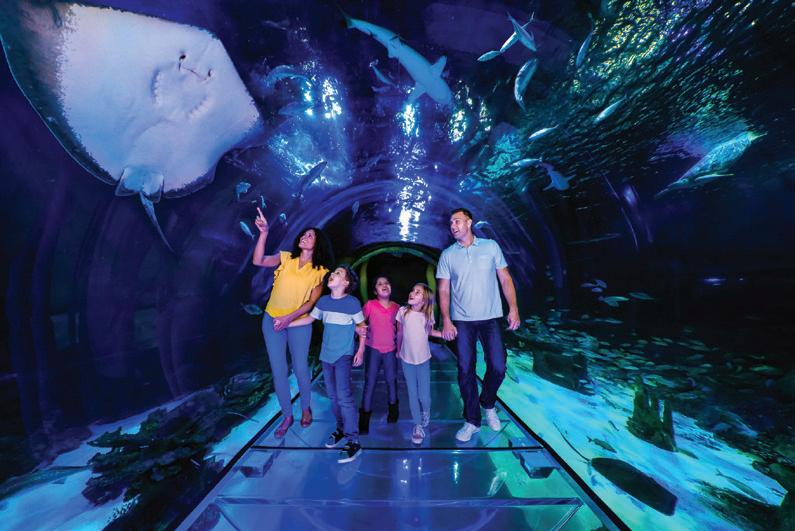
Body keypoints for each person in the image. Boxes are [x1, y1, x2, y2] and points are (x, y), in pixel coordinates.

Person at [436, 208, 520, 443]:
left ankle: (488, 402)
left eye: (457, 221)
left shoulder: (490, 246)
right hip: (462, 320)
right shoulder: (447, 255)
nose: (453, 226)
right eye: (451, 222)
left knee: (498, 366)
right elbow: (443, 289)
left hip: (490, 318)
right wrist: (446, 319)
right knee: (465, 370)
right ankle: (472, 420)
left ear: (469, 222)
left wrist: (513, 308)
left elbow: (505, 278)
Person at [253, 207, 331, 439]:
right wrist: (264, 234)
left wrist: (288, 318)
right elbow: (258, 260)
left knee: (300, 367)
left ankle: (305, 407)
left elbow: (310, 303)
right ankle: (287, 415)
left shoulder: (321, 272)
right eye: (304, 234)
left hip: (298, 323)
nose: (304, 237)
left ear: (317, 244)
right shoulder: (285, 258)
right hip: (271, 320)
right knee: (278, 371)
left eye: (310, 236)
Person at [290, 265, 366, 463]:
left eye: (338, 273)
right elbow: (309, 319)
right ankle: (341, 429)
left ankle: (353, 440)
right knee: (333, 396)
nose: (332, 274)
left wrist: (360, 350)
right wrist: (286, 323)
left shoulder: (352, 303)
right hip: (326, 356)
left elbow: (362, 327)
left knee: (344, 397)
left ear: (346, 283)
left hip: (343, 355)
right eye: (333, 272)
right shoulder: (323, 301)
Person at [396, 283, 442, 445]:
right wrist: (398, 350)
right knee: (412, 393)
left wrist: (444, 334)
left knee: (424, 395)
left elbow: (430, 332)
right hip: (406, 360)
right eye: (412, 290)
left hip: (423, 360)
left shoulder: (427, 315)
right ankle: (417, 425)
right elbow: (400, 332)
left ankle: (426, 412)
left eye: (418, 292)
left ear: (424, 300)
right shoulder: (403, 311)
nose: (412, 293)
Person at [359, 276, 401, 434]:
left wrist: (400, 349)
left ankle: (393, 413)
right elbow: (360, 323)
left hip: (391, 350)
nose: (384, 285)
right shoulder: (370, 305)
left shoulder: (397, 307)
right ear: (375, 291)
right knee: (370, 383)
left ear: (391, 288)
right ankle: (364, 420)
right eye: (380, 283)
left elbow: (400, 331)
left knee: (392, 381)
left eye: (387, 283)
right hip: (373, 350)